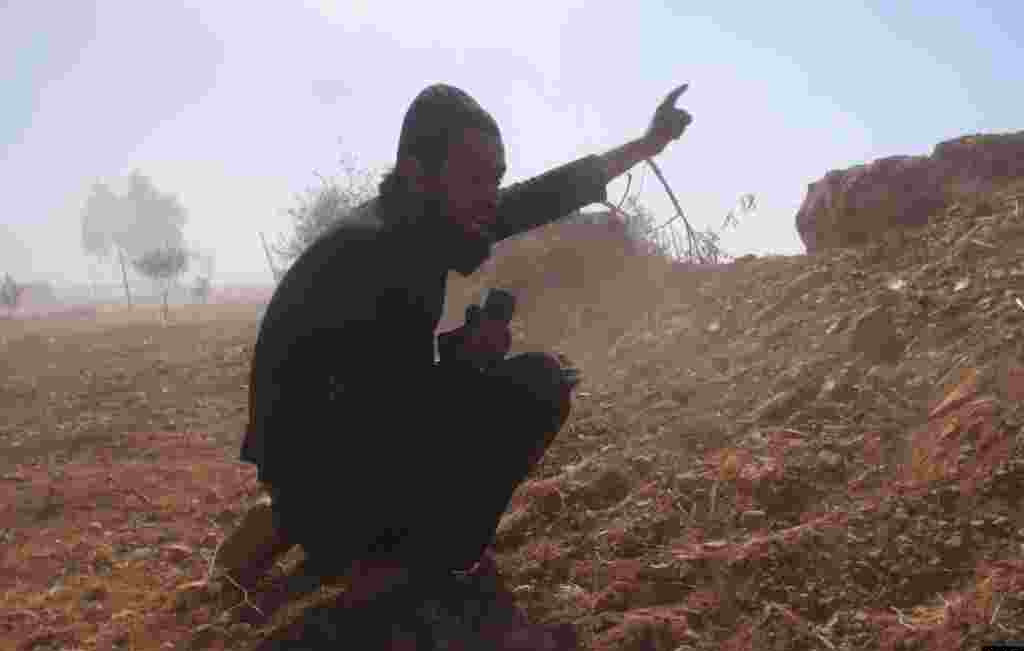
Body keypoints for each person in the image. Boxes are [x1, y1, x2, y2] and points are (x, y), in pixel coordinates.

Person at [226, 83, 693, 600]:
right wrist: (466, 360)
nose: (491, 196)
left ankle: (292, 521)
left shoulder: (415, 221)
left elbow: (544, 196)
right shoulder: (378, 255)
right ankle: (391, 560)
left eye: (495, 178)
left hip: (319, 463)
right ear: (417, 172)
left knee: (498, 386)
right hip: (331, 474)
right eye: (474, 178)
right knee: (538, 385)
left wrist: (646, 145)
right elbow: (391, 415)